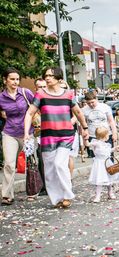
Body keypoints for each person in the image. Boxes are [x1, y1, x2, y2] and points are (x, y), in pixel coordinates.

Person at [23, 67, 89, 208]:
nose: (47, 78)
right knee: (50, 170)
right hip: (47, 137)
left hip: (65, 135)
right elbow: (29, 114)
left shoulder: (68, 94)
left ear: (59, 79)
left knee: (59, 164)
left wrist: (85, 128)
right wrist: (26, 133)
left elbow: (77, 111)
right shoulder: (40, 94)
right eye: (46, 75)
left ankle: (67, 195)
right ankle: (57, 199)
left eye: (51, 76)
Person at [0, 68, 35, 205]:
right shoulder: (1, 97)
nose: (15, 82)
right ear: (5, 80)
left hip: (28, 134)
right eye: (12, 79)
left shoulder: (26, 93)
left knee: (31, 163)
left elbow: (36, 107)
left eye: (17, 79)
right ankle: (7, 195)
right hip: (10, 133)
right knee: (9, 164)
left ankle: (33, 189)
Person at [84, 126, 119, 203]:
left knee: (109, 178)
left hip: (107, 163)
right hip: (99, 164)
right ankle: (97, 196)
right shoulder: (96, 143)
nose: (108, 136)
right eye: (107, 135)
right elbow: (87, 144)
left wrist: (114, 149)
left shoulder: (106, 144)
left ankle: (110, 192)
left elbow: (109, 151)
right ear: (104, 136)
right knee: (99, 180)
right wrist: (85, 138)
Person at [81, 91, 118, 157]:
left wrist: (114, 133)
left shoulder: (105, 107)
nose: (91, 104)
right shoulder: (84, 110)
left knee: (108, 155)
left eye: (93, 102)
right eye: (88, 103)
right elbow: (83, 124)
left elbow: (111, 121)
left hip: (106, 135)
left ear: (96, 99)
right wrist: (84, 138)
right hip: (92, 136)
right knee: (95, 157)